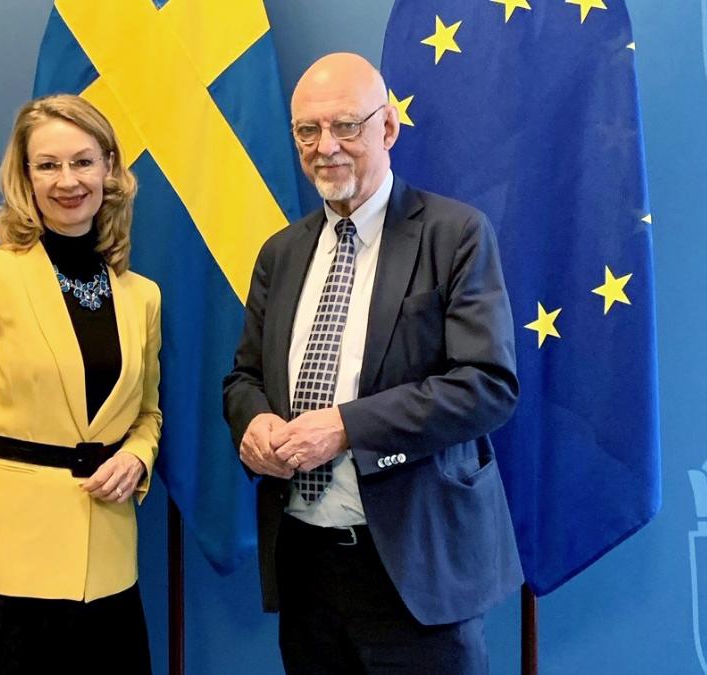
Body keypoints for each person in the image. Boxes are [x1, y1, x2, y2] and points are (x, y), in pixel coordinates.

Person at [222, 53, 522, 674]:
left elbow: (487, 385)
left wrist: (347, 427)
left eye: (346, 127)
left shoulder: (455, 233)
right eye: (308, 131)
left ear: (387, 129)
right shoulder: (280, 253)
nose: (325, 147)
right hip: (305, 568)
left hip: (416, 569)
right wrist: (250, 424)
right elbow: (243, 379)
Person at [0, 94, 161, 674]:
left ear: (109, 168)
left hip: (107, 575)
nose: (67, 181)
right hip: (0, 579)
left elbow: (148, 415)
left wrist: (137, 456)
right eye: (47, 165)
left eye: (82, 162)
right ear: (25, 177)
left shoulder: (141, 295)